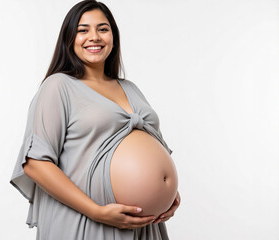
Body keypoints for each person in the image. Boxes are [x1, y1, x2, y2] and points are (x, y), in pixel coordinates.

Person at [10, 0, 181, 239]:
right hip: (87, 221)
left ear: (113, 36)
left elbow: (154, 149)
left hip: (145, 226)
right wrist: (97, 212)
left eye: (103, 29)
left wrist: (168, 194)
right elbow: (36, 164)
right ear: (69, 38)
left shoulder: (130, 88)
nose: (95, 37)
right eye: (83, 30)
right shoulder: (59, 86)